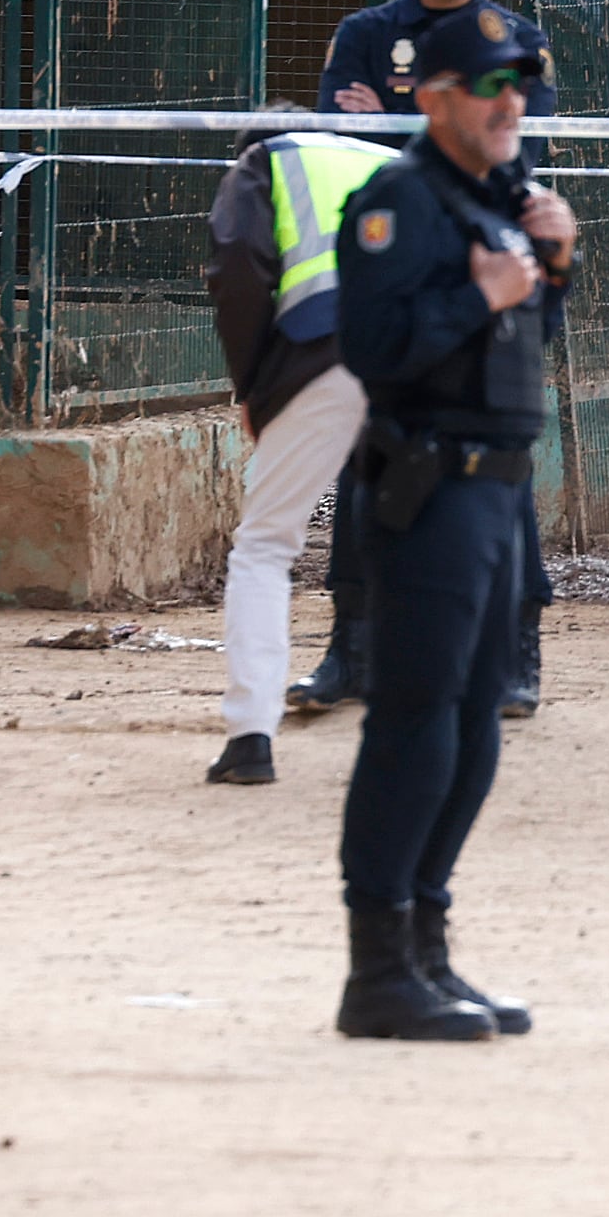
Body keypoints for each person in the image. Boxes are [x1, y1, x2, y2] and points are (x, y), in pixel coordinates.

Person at [327, 0, 575, 1041]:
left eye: (517, 82)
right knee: (415, 725)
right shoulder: (401, 200)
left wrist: (546, 270)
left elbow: (524, 337)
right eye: (487, 83)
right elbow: (375, 349)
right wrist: (481, 296)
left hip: (500, 488)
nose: (508, 99)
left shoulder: (496, 201)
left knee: (474, 731)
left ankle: (428, 944)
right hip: (429, 485)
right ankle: (377, 969)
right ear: (433, 98)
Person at [297, 0, 558, 724]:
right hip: (399, 263)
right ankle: (351, 644)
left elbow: (512, 159)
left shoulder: (517, 38)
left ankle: (519, 648)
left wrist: (395, 118)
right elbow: (344, 135)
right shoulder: (367, 30)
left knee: (503, 464)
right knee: (369, 454)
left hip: (493, 270)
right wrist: (411, 125)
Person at [202, 123, 402, 786]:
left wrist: (255, 386)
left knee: (266, 544)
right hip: (430, 354)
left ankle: (249, 738)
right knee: (434, 536)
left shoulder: (262, 163)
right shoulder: (398, 160)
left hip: (328, 350)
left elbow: (238, 267)